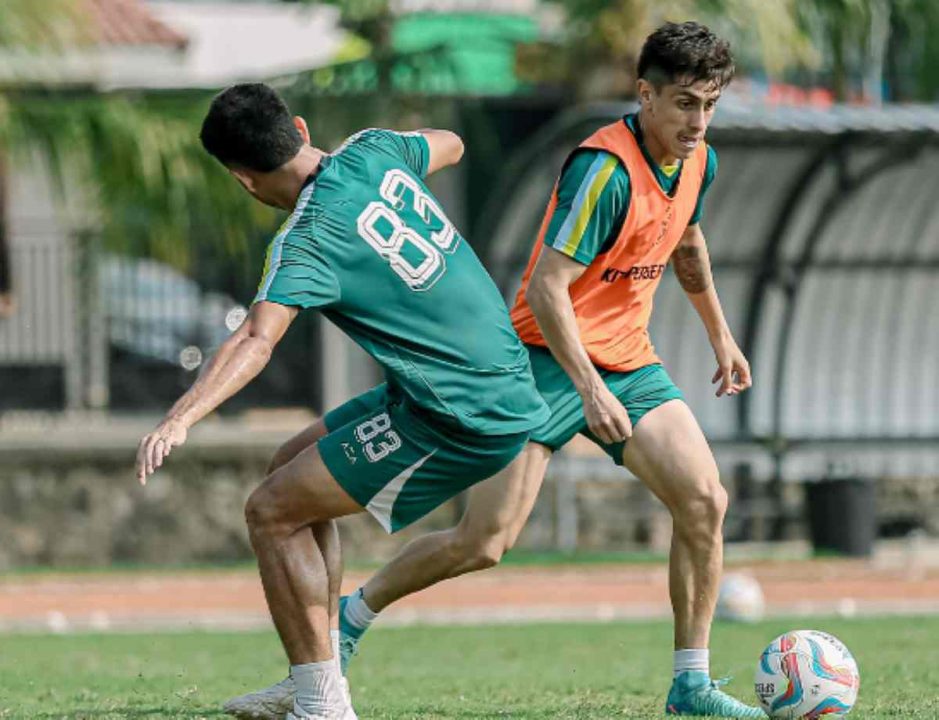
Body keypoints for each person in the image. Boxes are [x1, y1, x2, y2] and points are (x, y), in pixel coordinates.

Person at [224, 20, 762, 720]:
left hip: (629, 362)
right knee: (484, 543)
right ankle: (351, 618)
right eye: (685, 103)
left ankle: (690, 685)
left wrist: (721, 336)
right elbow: (545, 288)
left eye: (709, 104)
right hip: (543, 363)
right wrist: (587, 389)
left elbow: (685, 241)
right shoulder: (602, 169)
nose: (698, 121)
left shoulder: (698, 161)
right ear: (645, 95)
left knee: (703, 500)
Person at [134, 82, 550, 720]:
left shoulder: (304, 241)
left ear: (243, 180)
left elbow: (254, 337)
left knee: (270, 512)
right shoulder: (373, 150)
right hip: (474, 381)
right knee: (290, 465)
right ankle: (313, 676)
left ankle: (323, 704)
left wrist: (179, 417)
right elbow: (454, 143)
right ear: (299, 127)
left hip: (462, 412)